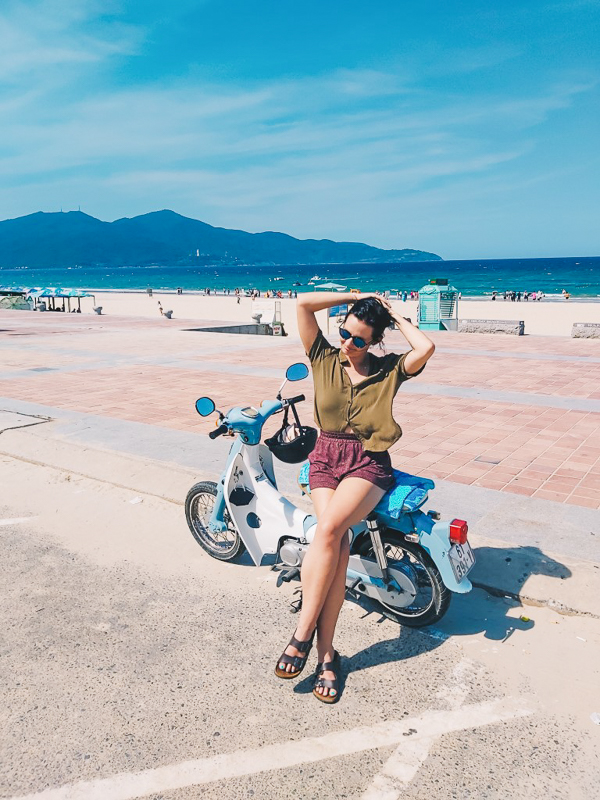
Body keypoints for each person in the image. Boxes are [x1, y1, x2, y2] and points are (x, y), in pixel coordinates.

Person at [275, 292, 435, 703]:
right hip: (325, 458)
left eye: (359, 340)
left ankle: (303, 633)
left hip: (367, 462)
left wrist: (396, 316)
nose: (347, 343)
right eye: (344, 333)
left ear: (375, 341)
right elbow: (304, 306)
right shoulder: (322, 357)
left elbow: (426, 347)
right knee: (337, 541)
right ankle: (328, 655)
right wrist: (355, 296)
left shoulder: (390, 370)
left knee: (327, 530)